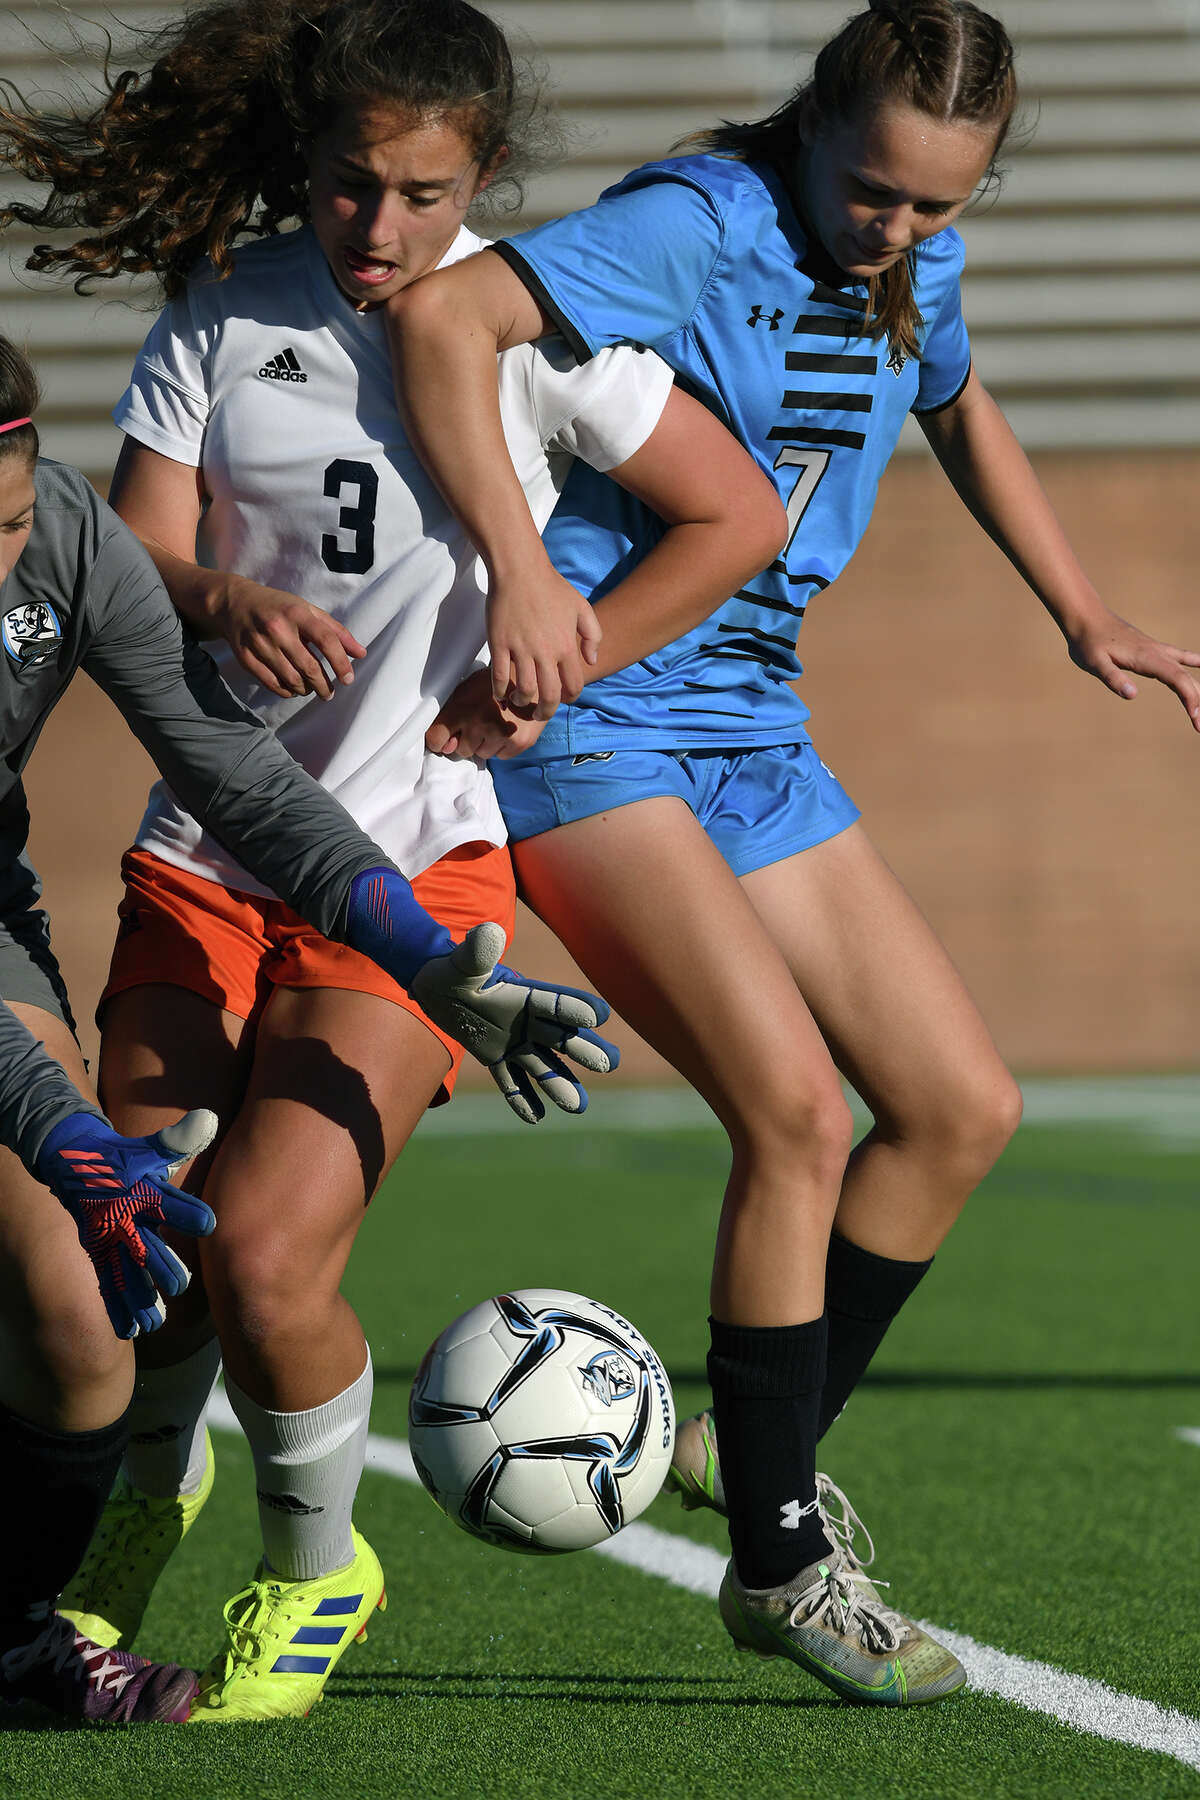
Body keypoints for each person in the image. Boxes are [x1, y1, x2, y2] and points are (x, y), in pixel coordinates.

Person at [382, 0, 1200, 1707]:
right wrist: (527, 585)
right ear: (817, 125)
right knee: (797, 1115)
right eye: (875, 192)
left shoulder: (922, 257)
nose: (895, 229)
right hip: (596, 721)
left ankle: (745, 1449)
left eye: (936, 208)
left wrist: (1082, 608)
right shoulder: (697, 219)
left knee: (962, 1110)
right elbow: (453, 318)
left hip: (756, 724)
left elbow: (960, 408)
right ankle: (778, 1561)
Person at [0, 0, 785, 1722]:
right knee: (133, 1252)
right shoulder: (216, 324)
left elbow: (742, 513)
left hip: (418, 868)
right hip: (207, 858)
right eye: (354, 188)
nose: (384, 229)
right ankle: (152, 1495)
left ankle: (312, 1572)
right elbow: (136, 552)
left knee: (271, 1261)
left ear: (482, 177)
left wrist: (567, 649)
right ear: (308, 168)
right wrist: (216, 597)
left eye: (426, 195)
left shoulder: (538, 335)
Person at [0, 325, 631, 1725]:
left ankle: (212, 1594)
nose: (6, 558)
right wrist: (64, 1135)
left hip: (291, 880)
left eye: (10, 520)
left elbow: (223, 757)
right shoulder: (214, 331)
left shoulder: (57, 530)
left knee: (172, 1280)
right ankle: (113, 1537)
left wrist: (417, 942)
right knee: (101, 1266)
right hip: (144, 912)